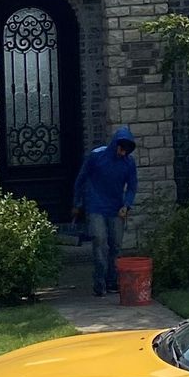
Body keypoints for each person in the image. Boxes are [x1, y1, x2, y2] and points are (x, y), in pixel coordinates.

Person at [73, 127, 138, 299]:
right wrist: (77, 202)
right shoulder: (96, 156)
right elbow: (81, 179)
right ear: (115, 145)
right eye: (121, 149)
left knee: (116, 245)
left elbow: (132, 187)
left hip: (116, 207)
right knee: (99, 240)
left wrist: (127, 205)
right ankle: (99, 282)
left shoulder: (129, 163)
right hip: (95, 205)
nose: (123, 153)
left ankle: (112, 281)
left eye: (127, 151)